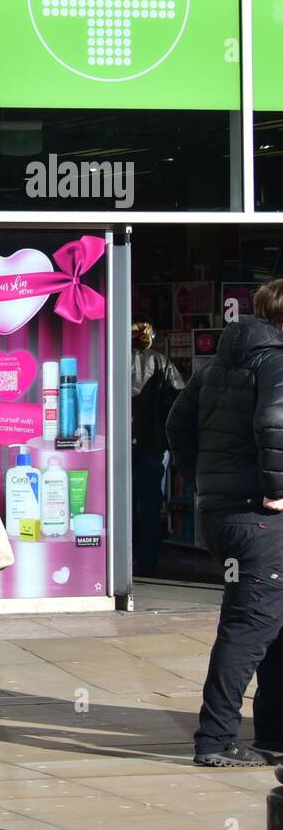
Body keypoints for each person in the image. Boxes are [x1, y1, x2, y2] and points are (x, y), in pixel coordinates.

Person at [166, 280, 283, 767]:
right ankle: (215, 739)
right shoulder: (275, 361)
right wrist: (276, 490)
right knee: (248, 626)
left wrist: (204, 481)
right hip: (257, 517)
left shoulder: (220, 363)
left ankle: (274, 731)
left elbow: (177, 422)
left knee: (272, 623)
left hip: (222, 512)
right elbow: (274, 422)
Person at [130, 320, 184, 577]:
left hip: (120, 442)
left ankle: (122, 558)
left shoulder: (111, 358)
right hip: (152, 442)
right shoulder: (161, 362)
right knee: (151, 501)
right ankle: (148, 559)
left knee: (119, 502)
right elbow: (179, 399)